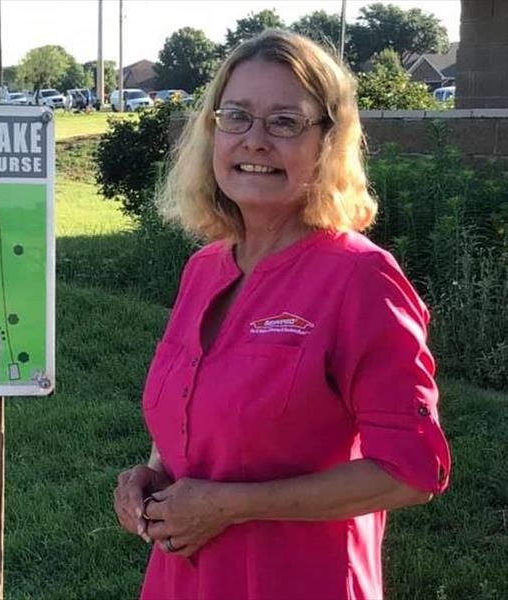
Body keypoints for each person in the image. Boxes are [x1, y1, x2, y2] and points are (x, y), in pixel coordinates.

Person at [113, 29, 451, 600]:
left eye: (285, 122)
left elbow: (414, 469)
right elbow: (197, 416)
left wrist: (230, 507)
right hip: (184, 581)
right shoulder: (205, 268)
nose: (256, 140)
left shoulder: (359, 278)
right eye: (236, 116)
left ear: (328, 142)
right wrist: (152, 476)